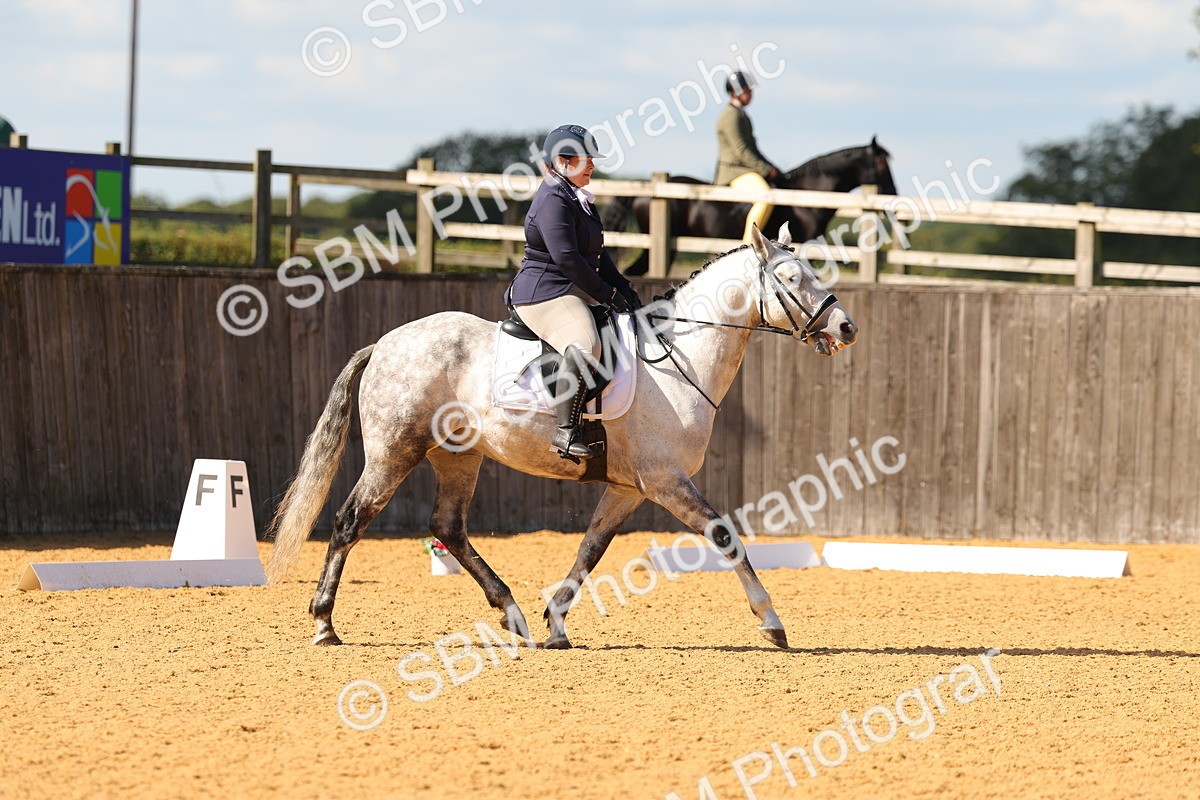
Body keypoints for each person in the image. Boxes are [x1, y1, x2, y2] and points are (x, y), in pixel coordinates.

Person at [505, 124, 642, 460]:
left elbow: (597, 254)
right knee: (585, 342)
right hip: (543, 292)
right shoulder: (553, 198)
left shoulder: (576, 197)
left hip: (565, 290)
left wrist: (625, 290)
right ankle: (566, 431)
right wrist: (606, 295)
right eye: (586, 160)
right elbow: (567, 257)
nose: (593, 165)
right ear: (564, 161)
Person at [714, 71, 781, 242]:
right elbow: (741, 150)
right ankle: (748, 243)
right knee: (765, 196)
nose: (751, 94)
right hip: (735, 172)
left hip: (745, 170)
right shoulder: (731, 115)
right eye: (747, 90)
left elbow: (754, 148)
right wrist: (765, 170)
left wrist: (772, 167)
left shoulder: (741, 114)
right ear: (735, 92)